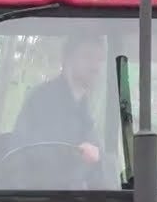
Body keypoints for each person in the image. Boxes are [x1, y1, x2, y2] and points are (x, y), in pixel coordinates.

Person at [9, 36, 107, 183]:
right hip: (40, 194)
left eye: (100, 60)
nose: (96, 67)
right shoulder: (43, 100)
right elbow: (33, 157)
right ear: (67, 59)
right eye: (87, 57)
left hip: (77, 195)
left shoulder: (85, 108)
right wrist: (79, 154)